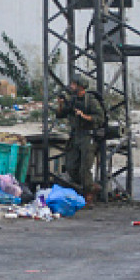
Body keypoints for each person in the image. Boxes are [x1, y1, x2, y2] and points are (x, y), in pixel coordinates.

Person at [55, 74, 105, 206]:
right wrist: (60, 105)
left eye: (73, 84)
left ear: (80, 86)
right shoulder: (72, 100)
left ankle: (88, 194)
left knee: (85, 168)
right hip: (75, 136)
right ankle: (89, 186)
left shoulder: (91, 101)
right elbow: (61, 114)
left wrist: (84, 116)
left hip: (88, 137)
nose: (71, 87)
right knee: (71, 166)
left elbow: (100, 118)